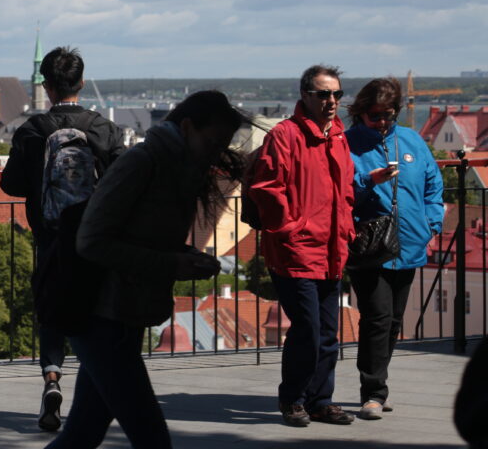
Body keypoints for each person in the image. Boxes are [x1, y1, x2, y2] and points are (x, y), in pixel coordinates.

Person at [47, 90, 242, 448]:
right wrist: (172, 262)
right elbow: (91, 240)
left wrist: (183, 256)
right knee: (150, 436)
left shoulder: (177, 167)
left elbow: (140, 236)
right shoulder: (144, 162)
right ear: (186, 127)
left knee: (84, 432)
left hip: (123, 313)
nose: (216, 153)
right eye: (213, 142)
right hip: (103, 314)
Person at [0, 46, 126, 432]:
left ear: (47, 86)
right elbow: (124, 181)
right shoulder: (103, 128)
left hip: (50, 235)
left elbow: (10, 184)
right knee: (94, 311)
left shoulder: (32, 130)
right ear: (82, 83)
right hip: (93, 238)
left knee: (52, 309)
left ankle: (52, 379)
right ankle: (93, 388)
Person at [248, 64, 356, 427]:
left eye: (337, 94)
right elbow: (266, 188)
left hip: (332, 250)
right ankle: (293, 398)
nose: (332, 101)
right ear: (305, 95)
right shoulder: (285, 135)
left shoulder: (339, 136)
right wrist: (292, 229)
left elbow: (345, 192)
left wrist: (347, 232)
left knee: (328, 332)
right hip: (296, 252)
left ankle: (320, 400)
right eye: (324, 94)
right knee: (307, 329)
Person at [345, 77, 443, 420]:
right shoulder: (348, 145)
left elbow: (433, 187)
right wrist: (369, 181)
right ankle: (373, 392)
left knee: (393, 321)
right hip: (369, 246)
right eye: (375, 116)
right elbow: (338, 193)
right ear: (362, 114)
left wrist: (433, 224)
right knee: (377, 317)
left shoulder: (412, 139)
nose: (382, 122)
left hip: (411, 243)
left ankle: (377, 384)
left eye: (388, 115)